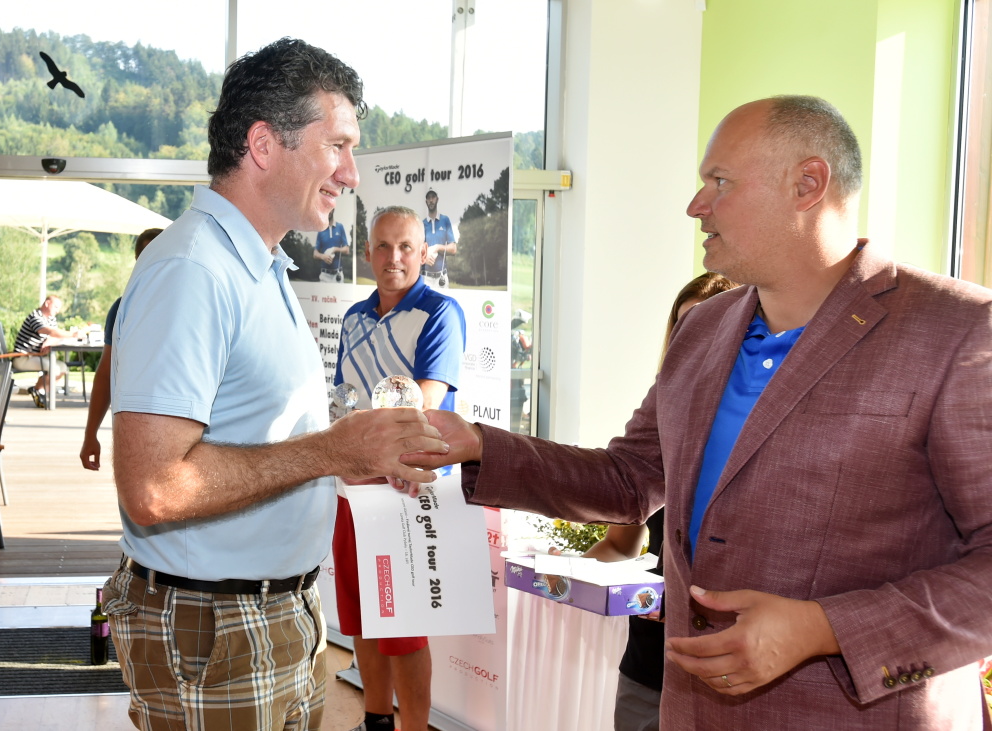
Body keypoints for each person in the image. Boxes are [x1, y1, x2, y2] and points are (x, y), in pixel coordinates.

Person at [412, 95, 992, 728]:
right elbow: (630, 479)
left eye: (720, 182)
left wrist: (823, 628)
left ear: (808, 184)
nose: (696, 205)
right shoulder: (704, 328)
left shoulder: (957, 331)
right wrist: (476, 444)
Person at [101, 38, 447, 731]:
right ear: (264, 145)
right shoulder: (194, 271)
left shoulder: (258, 267)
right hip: (215, 630)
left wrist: (354, 454)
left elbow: (259, 437)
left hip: (273, 612)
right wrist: (331, 452)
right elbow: (154, 486)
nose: (351, 172)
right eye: (337, 146)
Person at [581, 272, 737, 731]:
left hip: (726, 672)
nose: (694, 345)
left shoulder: (759, 436)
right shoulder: (659, 430)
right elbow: (620, 545)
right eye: (683, 330)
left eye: (708, 329)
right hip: (648, 667)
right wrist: (569, 576)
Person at [332, 205, 465, 731]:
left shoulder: (440, 312)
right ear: (367, 252)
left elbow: (424, 406)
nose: (394, 257)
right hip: (352, 489)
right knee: (363, 617)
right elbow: (343, 400)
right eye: (384, 246)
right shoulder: (352, 317)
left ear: (424, 253)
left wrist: (376, 446)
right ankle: (375, 721)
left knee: (403, 627)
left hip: (407, 493)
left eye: (406, 246)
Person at [79, 227, 161, 470]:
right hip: (133, 427)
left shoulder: (193, 306)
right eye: (146, 257)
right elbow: (106, 372)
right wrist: (90, 433)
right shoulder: (122, 309)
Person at [12, 295, 80, 408]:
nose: (58, 311)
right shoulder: (35, 317)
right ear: (47, 303)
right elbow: (50, 331)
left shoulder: (50, 319)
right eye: (56, 307)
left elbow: (54, 335)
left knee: (63, 367)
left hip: (36, 357)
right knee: (55, 369)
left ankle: (38, 390)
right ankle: (40, 393)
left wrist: (49, 341)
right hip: (23, 357)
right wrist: (72, 334)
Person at [420, 189, 457, 289]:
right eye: (428, 198)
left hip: (441, 278)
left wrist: (437, 247)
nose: (431, 200)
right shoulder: (422, 224)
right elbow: (416, 251)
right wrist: (424, 258)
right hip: (425, 278)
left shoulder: (445, 220)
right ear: (426, 201)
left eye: (433, 197)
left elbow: (453, 249)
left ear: (437, 199)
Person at [314, 209, 350, 282]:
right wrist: (323, 256)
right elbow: (315, 254)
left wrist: (335, 249)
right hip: (324, 275)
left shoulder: (340, 227)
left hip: (338, 275)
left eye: (329, 209)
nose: (327, 212)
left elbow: (347, 250)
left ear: (333, 210)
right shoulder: (321, 230)